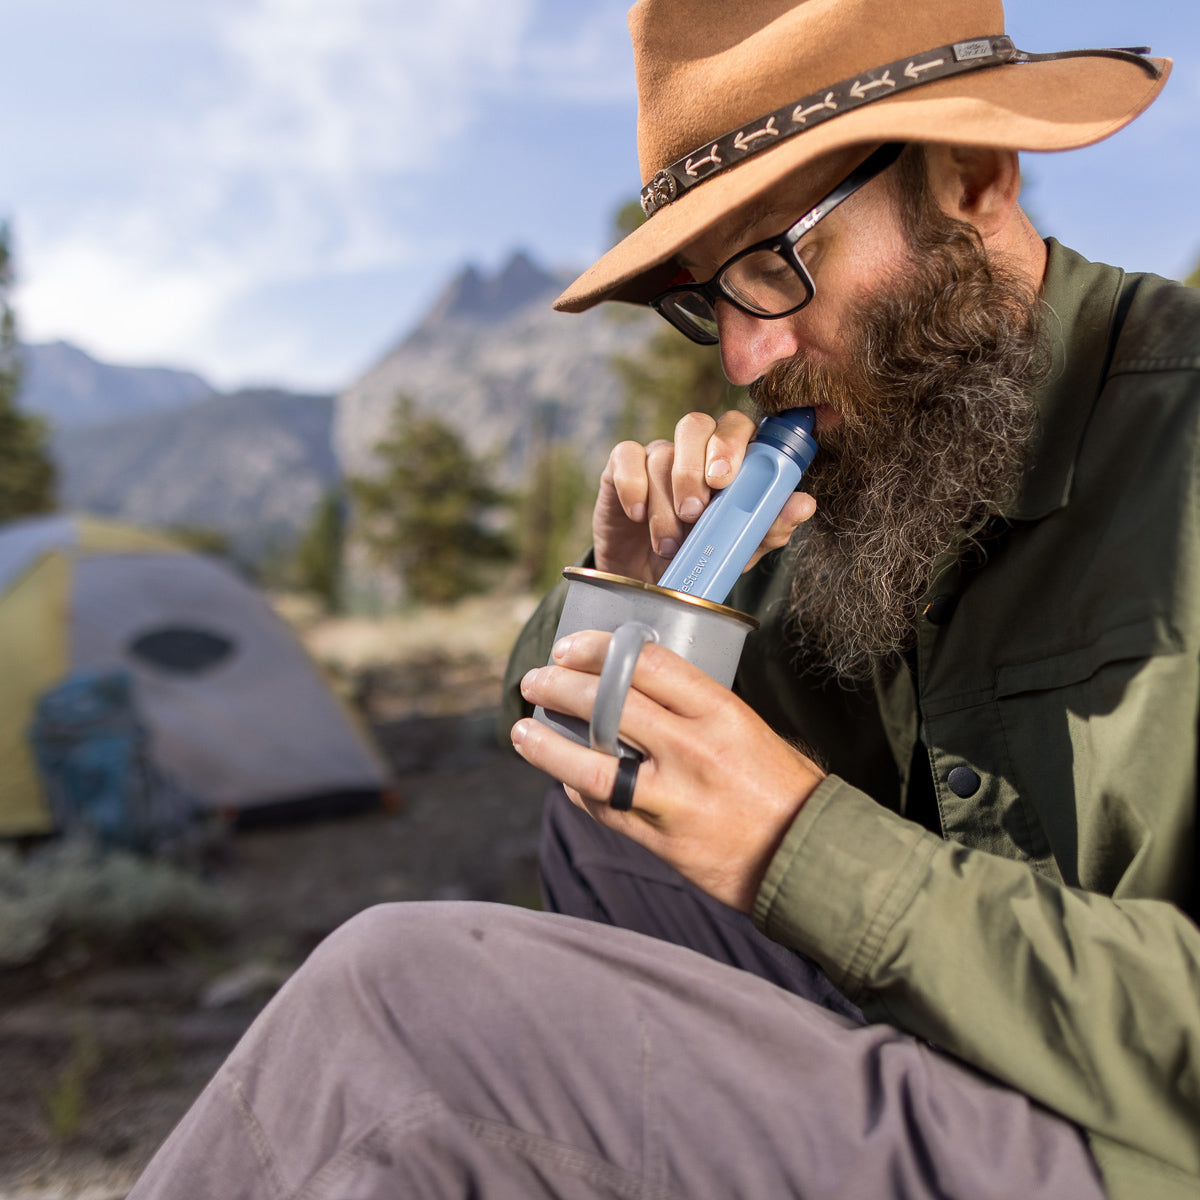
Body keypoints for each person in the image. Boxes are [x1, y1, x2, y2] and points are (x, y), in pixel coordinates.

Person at [128, 2, 1199, 1198]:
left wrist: (805, 848)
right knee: (608, 829)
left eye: (774, 261)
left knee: (406, 1015)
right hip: (984, 1047)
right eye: (708, 298)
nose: (743, 357)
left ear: (971, 177)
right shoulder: (900, 455)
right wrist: (633, 599)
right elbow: (559, 729)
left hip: (1138, 1143)